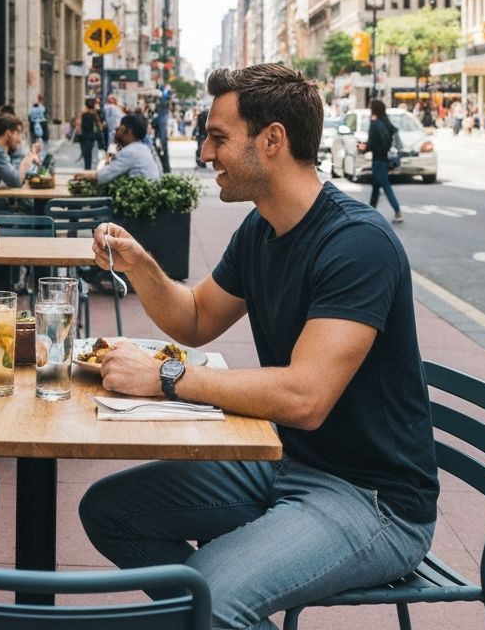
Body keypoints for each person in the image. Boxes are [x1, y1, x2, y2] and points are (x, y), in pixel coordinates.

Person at [79, 64, 437, 629]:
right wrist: (142, 265)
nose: (204, 152)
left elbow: (304, 397)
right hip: (287, 464)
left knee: (212, 597)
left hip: (373, 500)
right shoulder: (261, 227)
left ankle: (213, 612)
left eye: (218, 137)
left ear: (272, 140)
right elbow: (196, 319)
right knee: (111, 512)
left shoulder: (357, 244)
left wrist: (166, 378)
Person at [75, 112, 161, 184]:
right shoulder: (143, 148)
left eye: (120, 128)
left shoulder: (129, 152)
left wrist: (85, 177)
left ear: (129, 132)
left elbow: (103, 176)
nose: (116, 130)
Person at [359, 98, 403, 223]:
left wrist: (364, 148)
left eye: (370, 108)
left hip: (378, 160)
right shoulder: (387, 122)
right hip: (386, 158)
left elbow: (373, 144)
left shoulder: (375, 124)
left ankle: (397, 211)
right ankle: (370, 212)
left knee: (385, 185)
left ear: (374, 110)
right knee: (376, 186)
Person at [78, 97, 104, 170]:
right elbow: (100, 126)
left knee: (87, 156)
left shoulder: (84, 114)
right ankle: (92, 169)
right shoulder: (95, 114)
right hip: (94, 137)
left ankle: (88, 170)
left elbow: (83, 126)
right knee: (93, 156)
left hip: (86, 137)